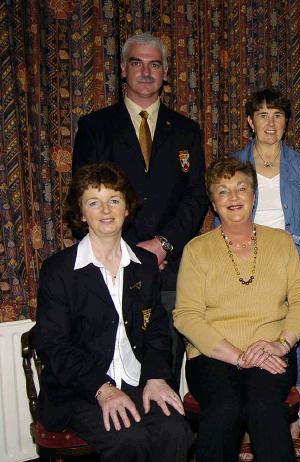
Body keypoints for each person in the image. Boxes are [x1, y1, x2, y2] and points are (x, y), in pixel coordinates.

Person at [72, 32, 208, 386]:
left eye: (154, 64)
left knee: (165, 364)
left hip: (170, 269)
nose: (146, 72)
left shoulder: (186, 130)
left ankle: (167, 438)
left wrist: (163, 244)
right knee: (113, 363)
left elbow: (196, 195)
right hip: (112, 265)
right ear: (122, 70)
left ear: (165, 73)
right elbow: (85, 196)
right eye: (137, 63)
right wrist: (129, 251)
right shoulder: (95, 127)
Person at [35, 163, 192, 462]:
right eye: (94, 202)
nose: (106, 210)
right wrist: (102, 388)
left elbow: (157, 330)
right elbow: (53, 346)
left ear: (126, 208)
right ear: (81, 213)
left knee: (175, 430)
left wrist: (157, 377)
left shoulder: (144, 264)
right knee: (128, 440)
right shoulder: (59, 271)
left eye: (114, 200)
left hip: (137, 381)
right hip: (82, 388)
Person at [173, 157, 300, 462]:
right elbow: (186, 315)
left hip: (271, 354)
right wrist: (238, 356)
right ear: (213, 203)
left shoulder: (281, 242)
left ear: (254, 196)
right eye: (223, 191)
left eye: (241, 188)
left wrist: (281, 344)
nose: (234, 197)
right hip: (212, 355)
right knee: (224, 408)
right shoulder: (197, 250)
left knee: (263, 406)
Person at [232, 88, 300, 459]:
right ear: (250, 121)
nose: (270, 123)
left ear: (286, 123)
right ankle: (248, 425)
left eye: (278, 115)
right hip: (245, 264)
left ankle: (294, 421)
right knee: (246, 337)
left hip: (293, 266)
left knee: (295, 343)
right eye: (263, 115)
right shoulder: (235, 165)